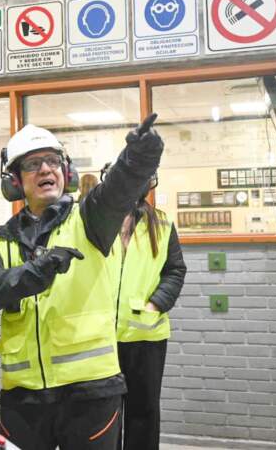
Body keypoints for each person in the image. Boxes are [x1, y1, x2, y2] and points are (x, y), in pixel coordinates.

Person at [0, 115, 164, 450]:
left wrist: (140, 156)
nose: (45, 170)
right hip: (24, 396)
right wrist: (38, 271)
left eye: (52, 161)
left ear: (66, 171)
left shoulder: (91, 217)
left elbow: (121, 186)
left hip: (89, 394)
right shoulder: (5, 238)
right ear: (15, 181)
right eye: (32, 164)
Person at [105, 167, 186, 450]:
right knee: (104, 414)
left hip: (146, 336)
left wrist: (156, 304)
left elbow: (175, 270)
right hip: (100, 337)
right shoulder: (98, 222)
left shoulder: (162, 224)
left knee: (144, 411)